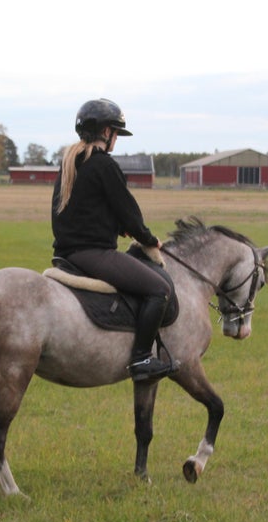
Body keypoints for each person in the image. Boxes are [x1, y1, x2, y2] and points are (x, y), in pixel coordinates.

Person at [51, 98, 175, 382]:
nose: (116, 138)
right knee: (159, 290)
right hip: (93, 254)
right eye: (116, 132)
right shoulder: (104, 165)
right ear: (105, 132)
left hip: (67, 253)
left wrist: (116, 227)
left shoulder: (72, 162)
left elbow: (83, 211)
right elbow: (129, 213)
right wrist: (149, 239)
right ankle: (141, 359)